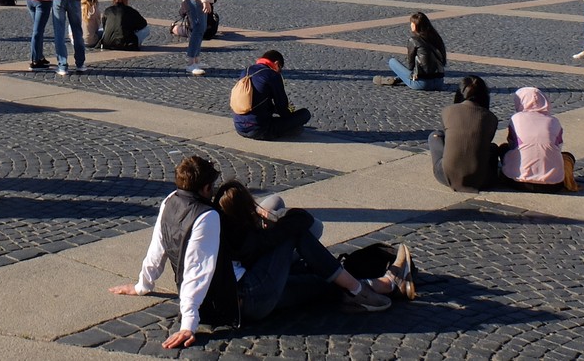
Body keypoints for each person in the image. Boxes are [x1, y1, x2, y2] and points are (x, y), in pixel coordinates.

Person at [214, 182, 402, 320]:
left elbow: (276, 202)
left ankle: (369, 284)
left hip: (243, 291)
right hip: (252, 295)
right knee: (297, 238)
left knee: (317, 279)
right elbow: (304, 220)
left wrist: (262, 215)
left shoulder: (219, 225)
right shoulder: (254, 239)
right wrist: (269, 217)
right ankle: (365, 288)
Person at [107, 156, 235, 348]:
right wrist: (188, 324)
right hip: (234, 298)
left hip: (223, 289)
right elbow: (197, 269)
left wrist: (143, 285)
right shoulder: (207, 216)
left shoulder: (170, 201)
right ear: (206, 188)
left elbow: (157, 248)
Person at [498, 86, 579, 191]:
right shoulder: (553, 121)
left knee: (503, 148)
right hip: (553, 185)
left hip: (517, 181)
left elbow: (513, 145)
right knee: (568, 156)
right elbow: (557, 149)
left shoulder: (516, 119)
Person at [428, 75, 498, 192]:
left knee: (435, 136)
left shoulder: (448, 111)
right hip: (484, 179)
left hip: (447, 176)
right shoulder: (491, 118)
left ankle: (450, 163)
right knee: (493, 147)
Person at [233, 50, 310, 139]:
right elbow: (282, 107)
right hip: (260, 130)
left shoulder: (246, 71)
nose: (279, 72)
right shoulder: (272, 75)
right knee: (305, 114)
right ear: (276, 63)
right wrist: (291, 119)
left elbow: (256, 99)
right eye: (280, 69)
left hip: (239, 127)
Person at [375, 12, 447, 90]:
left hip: (422, 83)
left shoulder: (414, 40)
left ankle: (393, 79)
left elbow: (411, 65)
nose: (410, 25)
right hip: (439, 83)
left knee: (392, 61)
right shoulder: (437, 38)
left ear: (416, 25)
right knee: (409, 72)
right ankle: (396, 79)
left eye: (412, 23)